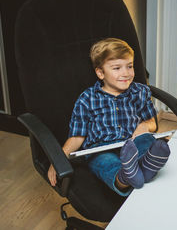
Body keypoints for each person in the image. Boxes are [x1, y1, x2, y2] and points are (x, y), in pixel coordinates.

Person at [48, 38, 170, 196]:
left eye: (130, 66)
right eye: (117, 68)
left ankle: (145, 168)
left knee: (147, 141)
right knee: (106, 164)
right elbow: (77, 137)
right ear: (100, 73)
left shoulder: (140, 92)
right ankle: (125, 177)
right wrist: (57, 160)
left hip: (132, 142)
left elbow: (151, 123)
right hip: (101, 149)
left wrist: (146, 126)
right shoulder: (87, 99)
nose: (126, 73)